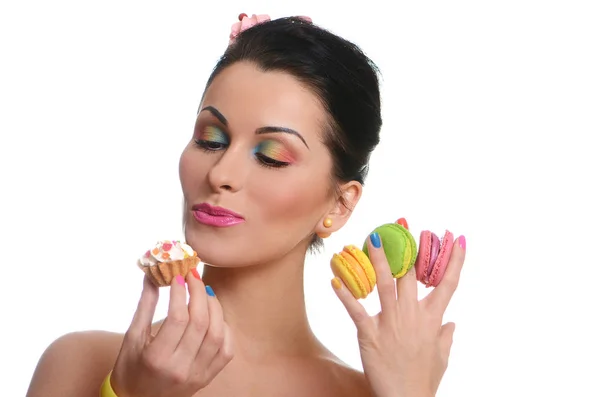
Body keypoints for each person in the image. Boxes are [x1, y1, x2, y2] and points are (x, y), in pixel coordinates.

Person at [26, 14, 466, 397]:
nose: (221, 174)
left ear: (341, 203)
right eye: (210, 139)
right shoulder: (81, 364)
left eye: (271, 155)